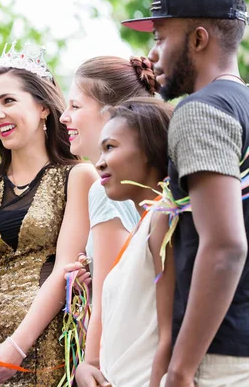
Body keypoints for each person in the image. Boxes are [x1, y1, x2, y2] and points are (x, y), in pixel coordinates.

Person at [123, 0, 249, 385]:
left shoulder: (200, 112)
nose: (153, 52)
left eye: (160, 36)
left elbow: (226, 246)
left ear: (198, 38)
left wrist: (180, 369)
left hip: (219, 357)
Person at [0, 43, 97, 386]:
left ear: (44, 108)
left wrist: (18, 347)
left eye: (8, 101)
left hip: (49, 349)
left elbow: (65, 269)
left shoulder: (77, 176)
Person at [59, 56, 157, 374]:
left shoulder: (105, 190)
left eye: (75, 106)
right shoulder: (147, 183)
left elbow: (106, 296)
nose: (64, 116)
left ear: (111, 112)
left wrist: (91, 362)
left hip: (122, 362)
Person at [77, 98, 175, 387]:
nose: (99, 162)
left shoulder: (165, 217)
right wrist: (88, 366)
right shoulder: (144, 225)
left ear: (148, 149)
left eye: (110, 147)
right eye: (99, 150)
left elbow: (170, 330)